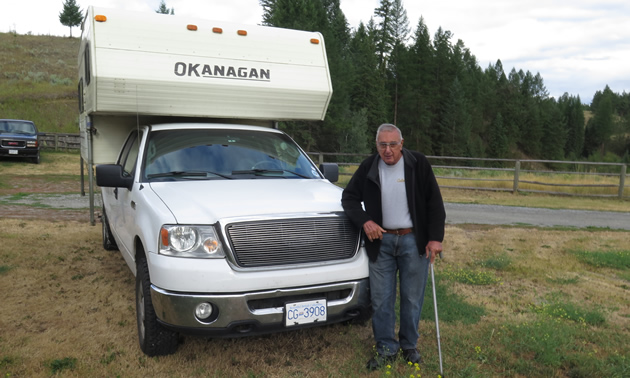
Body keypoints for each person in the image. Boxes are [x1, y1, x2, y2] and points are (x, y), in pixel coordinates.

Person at [341, 123, 446, 371]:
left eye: (392, 144)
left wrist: (435, 238)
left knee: (412, 298)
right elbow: (349, 198)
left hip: (413, 240)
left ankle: (409, 346)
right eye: (382, 145)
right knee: (380, 299)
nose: (387, 150)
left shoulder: (418, 163)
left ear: (402, 143)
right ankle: (386, 348)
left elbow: (435, 203)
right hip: (381, 243)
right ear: (376, 145)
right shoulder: (369, 166)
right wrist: (365, 221)